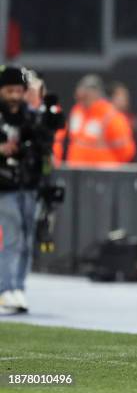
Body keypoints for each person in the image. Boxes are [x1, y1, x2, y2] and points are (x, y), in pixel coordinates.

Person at [0, 66, 63, 313]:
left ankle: (18, 288)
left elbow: (49, 135)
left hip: (30, 183)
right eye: (9, 90)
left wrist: (48, 106)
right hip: (4, 185)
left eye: (18, 90)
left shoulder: (32, 117)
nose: (15, 95)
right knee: (13, 237)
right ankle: (5, 289)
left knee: (27, 240)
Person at [53, 75, 135, 166]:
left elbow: (127, 151)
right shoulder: (77, 111)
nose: (81, 99)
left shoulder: (111, 116)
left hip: (101, 173)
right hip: (76, 171)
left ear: (95, 94)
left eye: (85, 95)